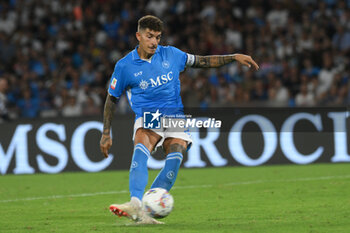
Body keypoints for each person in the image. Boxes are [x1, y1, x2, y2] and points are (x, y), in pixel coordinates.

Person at [100, 15, 259, 224]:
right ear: (138, 36)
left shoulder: (172, 54)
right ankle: (135, 203)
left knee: (176, 154)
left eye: (157, 37)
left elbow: (202, 61)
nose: (154, 42)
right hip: (149, 116)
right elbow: (111, 99)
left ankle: (146, 212)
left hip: (175, 117)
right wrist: (105, 133)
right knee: (142, 144)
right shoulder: (125, 66)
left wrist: (233, 56)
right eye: (149, 37)